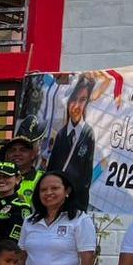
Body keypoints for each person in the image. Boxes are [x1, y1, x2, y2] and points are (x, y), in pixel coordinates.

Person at [47, 76, 96, 208]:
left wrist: (79, 203)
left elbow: (86, 174)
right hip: (55, 201)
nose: (76, 105)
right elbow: (52, 167)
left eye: (82, 100)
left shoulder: (88, 133)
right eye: (73, 100)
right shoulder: (61, 134)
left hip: (75, 202)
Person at [0, 162, 32, 244]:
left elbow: (12, 241)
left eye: (6, 176)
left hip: (5, 253)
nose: (1, 180)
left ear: (17, 179)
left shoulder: (21, 207)